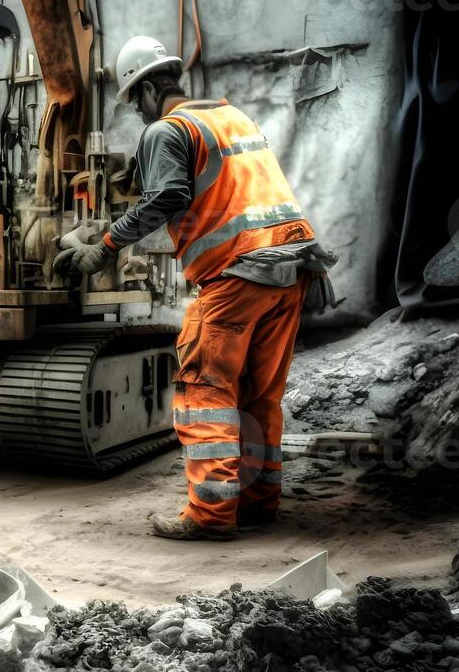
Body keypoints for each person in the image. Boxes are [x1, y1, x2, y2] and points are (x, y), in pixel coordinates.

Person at [55, 37, 336, 541]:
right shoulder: (234, 119)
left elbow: (166, 196)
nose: (138, 115)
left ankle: (210, 516)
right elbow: (222, 197)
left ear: (143, 91)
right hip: (292, 267)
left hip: (238, 276)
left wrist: (106, 245)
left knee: (204, 391)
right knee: (259, 396)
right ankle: (258, 501)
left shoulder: (168, 129)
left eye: (133, 103)